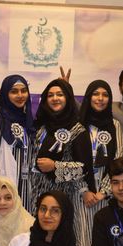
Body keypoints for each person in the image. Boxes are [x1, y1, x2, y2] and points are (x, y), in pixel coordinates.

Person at [75, 79, 123, 246]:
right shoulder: (77, 125)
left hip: (106, 194)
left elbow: (119, 159)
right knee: (83, 244)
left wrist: (103, 192)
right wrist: (85, 190)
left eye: (105, 94)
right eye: (95, 94)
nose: (100, 98)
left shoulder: (115, 125)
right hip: (80, 194)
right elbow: (71, 159)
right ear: (88, 97)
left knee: (102, 244)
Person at [30, 78, 95, 217]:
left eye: (60, 94)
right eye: (50, 95)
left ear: (68, 98)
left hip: (62, 198)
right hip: (34, 194)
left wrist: (55, 166)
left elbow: (83, 168)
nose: (55, 98)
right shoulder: (40, 127)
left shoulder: (77, 130)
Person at [0, 75, 37, 215]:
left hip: (28, 194)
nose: (20, 95)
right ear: (5, 94)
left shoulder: (29, 123)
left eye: (23, 91)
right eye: (14, 91)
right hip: (3, 196)